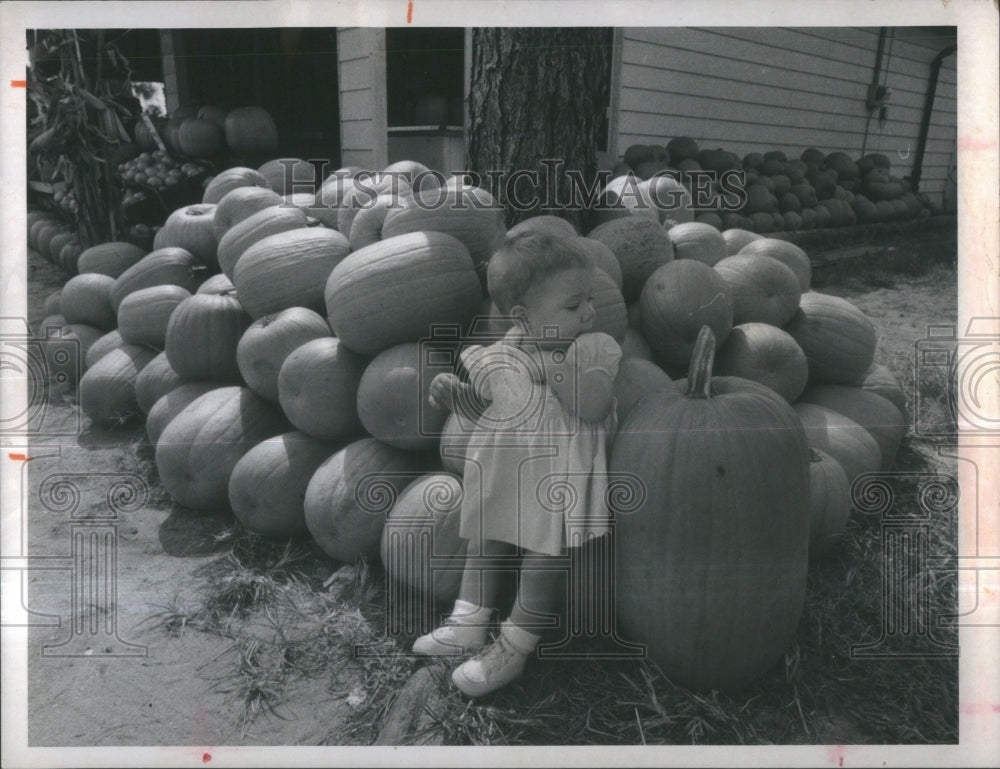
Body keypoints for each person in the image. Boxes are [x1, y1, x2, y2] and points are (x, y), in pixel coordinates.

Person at [413, 231, 622, 698]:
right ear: (523, 318)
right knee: (483, 541)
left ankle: (515, 645)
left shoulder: (593, 348)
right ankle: (467, 622)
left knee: (540, 561)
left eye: (589, 298)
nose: (588, 311)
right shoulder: (506, 348)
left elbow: (593, 403)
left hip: (558, 478)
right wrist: (457, 396)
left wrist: (549, 364)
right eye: (573, 305)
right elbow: (486, 407)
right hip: (506, 467)